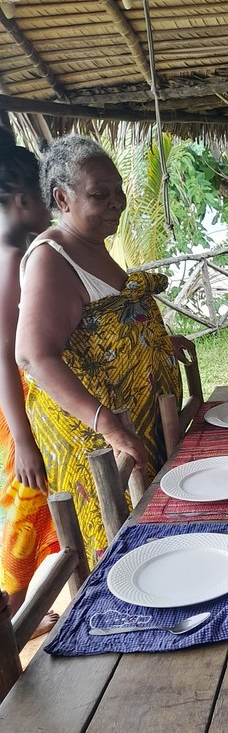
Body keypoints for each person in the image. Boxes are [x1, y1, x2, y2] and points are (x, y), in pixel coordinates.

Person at [15, 135, 192, 564]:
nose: (116, 203)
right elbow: (33, 355)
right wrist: (108, 425)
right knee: (121, 545)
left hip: (133, 423)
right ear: (62, 198)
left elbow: (97, 327)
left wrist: (156, 344)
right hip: (96, 440)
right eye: (100, 194)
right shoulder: (51, 258)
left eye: (118, 192)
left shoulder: (93, 246)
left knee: (156, 534)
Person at [0, 127, 59, 633]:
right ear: (24, 200)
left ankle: (17, 615)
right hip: (15, 410)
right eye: (47, 197)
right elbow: (5, 356)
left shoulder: (24, 252)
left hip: (23, 404)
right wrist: (23, 441)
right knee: (25, 503)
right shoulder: (11, 259)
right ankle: (12, 622)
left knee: (32, 506)